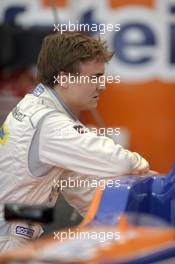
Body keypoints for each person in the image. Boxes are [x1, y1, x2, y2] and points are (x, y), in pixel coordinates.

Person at [0, 32, 154, 251]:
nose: (103, 86)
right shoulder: (48, 123)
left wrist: (126, 217)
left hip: (16, 232)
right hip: (7, 241)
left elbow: (79, 188)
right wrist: (140, 164)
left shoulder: (34, 107)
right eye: (95, 77)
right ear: (63, 78)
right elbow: (120, 163)